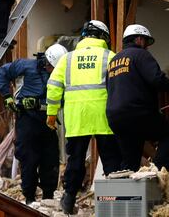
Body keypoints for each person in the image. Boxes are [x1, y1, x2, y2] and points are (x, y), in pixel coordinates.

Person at [46, 20, 121, 214]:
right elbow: (121, 86)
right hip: (104, 117)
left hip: (77, 118)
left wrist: (51, 113)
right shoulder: (110, 56)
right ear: (103, 37)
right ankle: (113, 206)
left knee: (76, 160)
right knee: (111, 160)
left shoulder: (67, 59)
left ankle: (69, 200)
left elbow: (53, 87)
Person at [0, 43, 68, 204]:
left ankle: (48, 196)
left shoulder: (61, 73)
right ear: (46, 62)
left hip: (48, 120)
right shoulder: (27, 66)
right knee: (28, 158)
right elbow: (2, 73)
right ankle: (29, 197)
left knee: (50, 158)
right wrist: (7, 96)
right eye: (52, 68)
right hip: (27, 119)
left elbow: (64, 96)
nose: (53, 71)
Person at [106, 25, 169, 172]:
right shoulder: (141, 55)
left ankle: (128, 185)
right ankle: (157, 173)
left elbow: (109, 88)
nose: (147, 47)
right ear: (139, 39)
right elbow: (156, 78)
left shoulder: (114, 61)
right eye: (146, 42)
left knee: (130, 162)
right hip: (137, 114)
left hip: (115, 118)